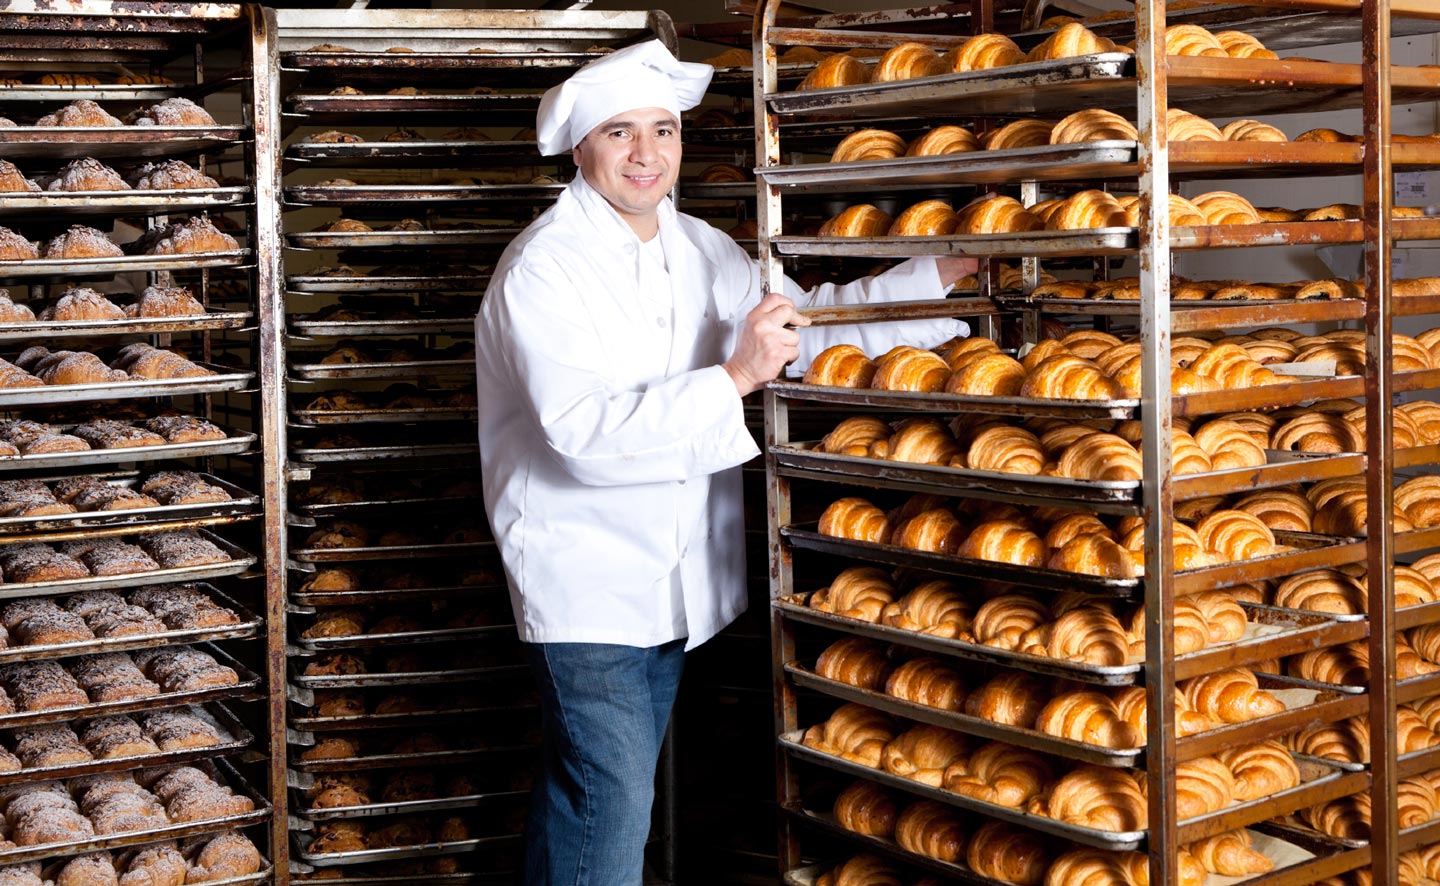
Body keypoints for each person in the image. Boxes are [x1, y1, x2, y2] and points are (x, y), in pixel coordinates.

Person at [473, 40, 978, 885]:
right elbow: (583, 432)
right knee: (609, 800)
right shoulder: (544, 269)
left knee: (593, 795)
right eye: (620, 133)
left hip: (672, 577)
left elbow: (800, 331)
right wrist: (736, 374)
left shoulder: (702, 249)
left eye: (663, 130)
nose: (646, 154)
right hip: (588, 579)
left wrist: (937, 274)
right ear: (579, 147)